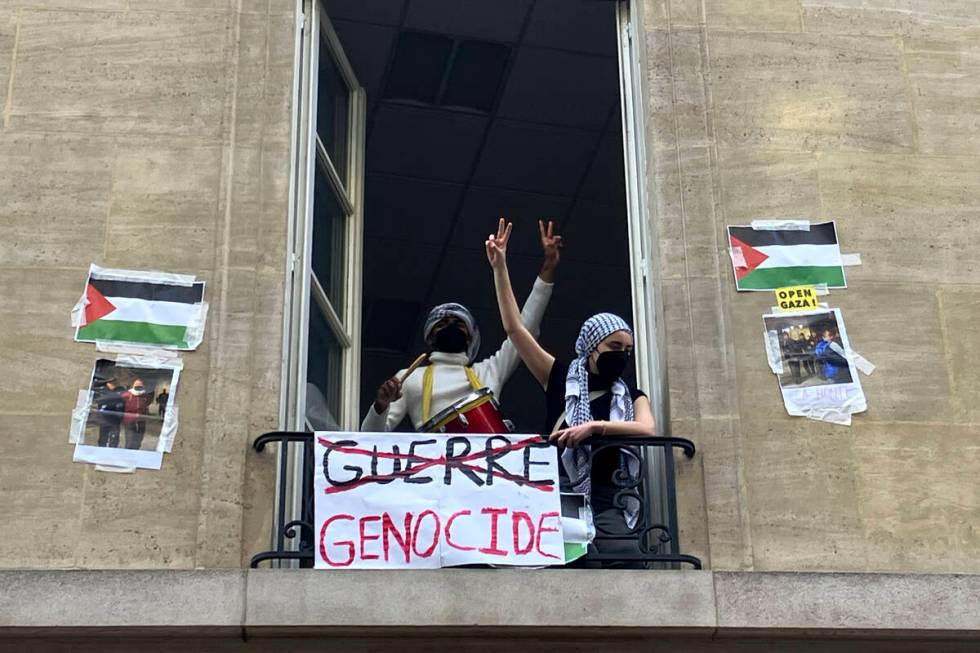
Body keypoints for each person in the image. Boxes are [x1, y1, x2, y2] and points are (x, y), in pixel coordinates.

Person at [485, 220, 656, 564]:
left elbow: (646, 429)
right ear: (592, 347)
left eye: (627, 349)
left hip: (611, 500)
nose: (621, 354)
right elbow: (515, 330)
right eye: (614, 345)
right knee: (566, 571)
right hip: (559, 495)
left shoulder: (631, 392)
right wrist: (500, 266)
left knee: (627, 563)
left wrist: (594, 428)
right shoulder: (559, 375)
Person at [362, 219, 562, 432]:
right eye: (443, 323)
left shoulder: (488, 371)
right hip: (437, 464)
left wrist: (547, 269)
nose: (451, 326)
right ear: (430, 337)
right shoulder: (410, 377)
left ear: (470, 337)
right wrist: (381, 406)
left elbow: (524, 331)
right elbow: (370, 439)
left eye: (458, 323)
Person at [121, 379, 153, 450]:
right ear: (133, 386)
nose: (138, 387)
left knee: (139, 438)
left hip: (141, 420)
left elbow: (148, 402)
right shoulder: (127, 394)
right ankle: (128, 453)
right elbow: (120, 403)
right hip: (129, 420)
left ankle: (136, 452)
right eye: (136, 385)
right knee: (130, 439)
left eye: (140, 385)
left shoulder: (145, 395)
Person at [95, 379, 125, 448]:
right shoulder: (103, 391)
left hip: (116, 419)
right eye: (110, 383)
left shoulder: (121, 391)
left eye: (114, 383)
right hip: (104, 418)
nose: (112, 385)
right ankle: (101, 448)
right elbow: (99, 402)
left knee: (114, 437)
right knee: (103, 436)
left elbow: (122, 404)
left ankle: (113, 449)